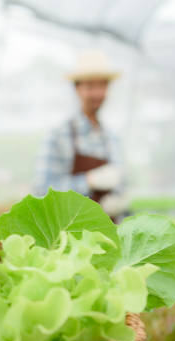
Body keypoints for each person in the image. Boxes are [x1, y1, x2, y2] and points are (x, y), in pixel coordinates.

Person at [34, 51, 127, 217]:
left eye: (102, 86)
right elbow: (42, 191)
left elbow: (120, 184)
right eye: (90, 86)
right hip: (69, 236)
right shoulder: (58, 136)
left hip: (109, 234)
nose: (97, 93)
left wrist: (117, 199)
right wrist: (88, 181)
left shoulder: (112, 138)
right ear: (77, 88)